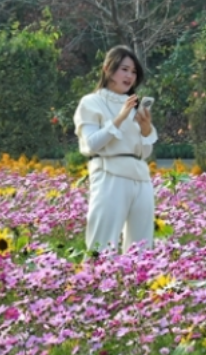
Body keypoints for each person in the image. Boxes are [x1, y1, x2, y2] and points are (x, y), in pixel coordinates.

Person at [73, 45, 157, 254]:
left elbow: (144, 153)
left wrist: (146, 129)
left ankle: (138, 276)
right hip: (109, 173)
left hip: (141, 178)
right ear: (108, 69)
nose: (129, 76)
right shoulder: (91, 102)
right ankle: (95, 275)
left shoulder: (135, 106)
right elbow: (91, 144)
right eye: (124, 69)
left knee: (142, 247)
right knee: (102, 244)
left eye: (134, 72)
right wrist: (119, 118)